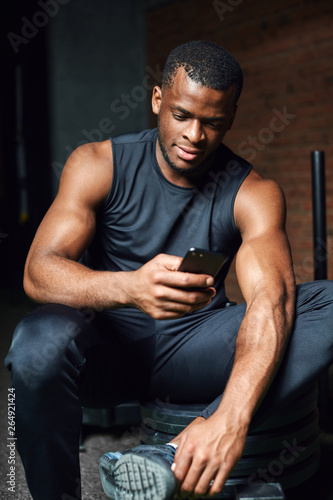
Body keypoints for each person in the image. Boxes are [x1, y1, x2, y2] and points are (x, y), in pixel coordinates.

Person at [5, 40, 333, 500]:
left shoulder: (253, 191)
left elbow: (271, 298)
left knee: (324, 303)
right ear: (158, 100)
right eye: (182, 115)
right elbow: (38, 273)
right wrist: (131, 287)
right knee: (36, 341)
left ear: (231, 119)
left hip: (193, 351)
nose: (195, 136)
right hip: (105, 351)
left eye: (213, 122)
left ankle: (171, 453)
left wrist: (227, 420)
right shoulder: (98, 164)